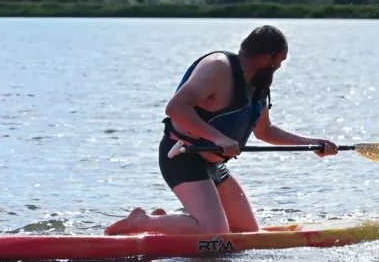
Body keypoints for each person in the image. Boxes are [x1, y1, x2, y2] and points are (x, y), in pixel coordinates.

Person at [105, 25, 339, 235]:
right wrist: (218, 137)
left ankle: (165, 223)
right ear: (267, 57)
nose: (279, 67)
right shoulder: (218, 68)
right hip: (182, 157)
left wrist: (312, 143)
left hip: (214, 164)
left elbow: (265, 131)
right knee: (215, 230)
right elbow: (175, 108)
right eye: (280, 61)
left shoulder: (259, 84)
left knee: (246, 230)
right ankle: (142, 221)